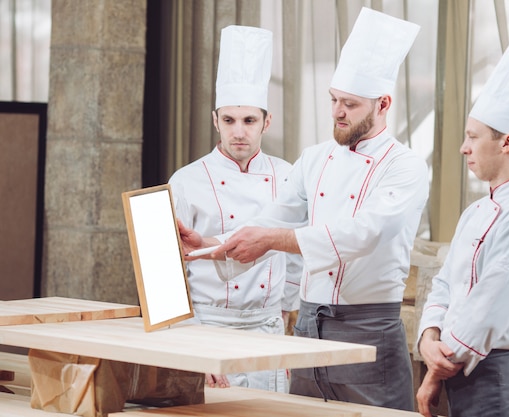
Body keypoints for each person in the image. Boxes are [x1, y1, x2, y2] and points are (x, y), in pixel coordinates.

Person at [178, 7, 428, 412]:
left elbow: (364, 232)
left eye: (350, 104)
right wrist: (210, 244)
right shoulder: (315, 158)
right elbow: (271, 220)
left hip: (368, 326)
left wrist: (272, 240)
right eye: (333, 100)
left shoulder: (406, 166)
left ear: (383, 103)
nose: (337, 113)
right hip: (311, 325)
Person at [415, 37, 509, 417]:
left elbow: (487, 311)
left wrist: (435, 371)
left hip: (498, 383)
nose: (463, 148)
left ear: (508, 142)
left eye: (473, 136)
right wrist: (428, 338)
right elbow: (445, 283)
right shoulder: (477, 211)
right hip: (461, 373)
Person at [168, 25, 301, 393]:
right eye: (228, 121)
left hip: (268, 332)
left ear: (266, 122)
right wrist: (191, 345)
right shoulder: (185, 181)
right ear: (215, 120)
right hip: (206, 329)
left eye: (249, 121)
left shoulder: (287, 176)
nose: (238, 132)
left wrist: (285, 308)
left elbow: (297, 249)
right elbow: (167, 274)